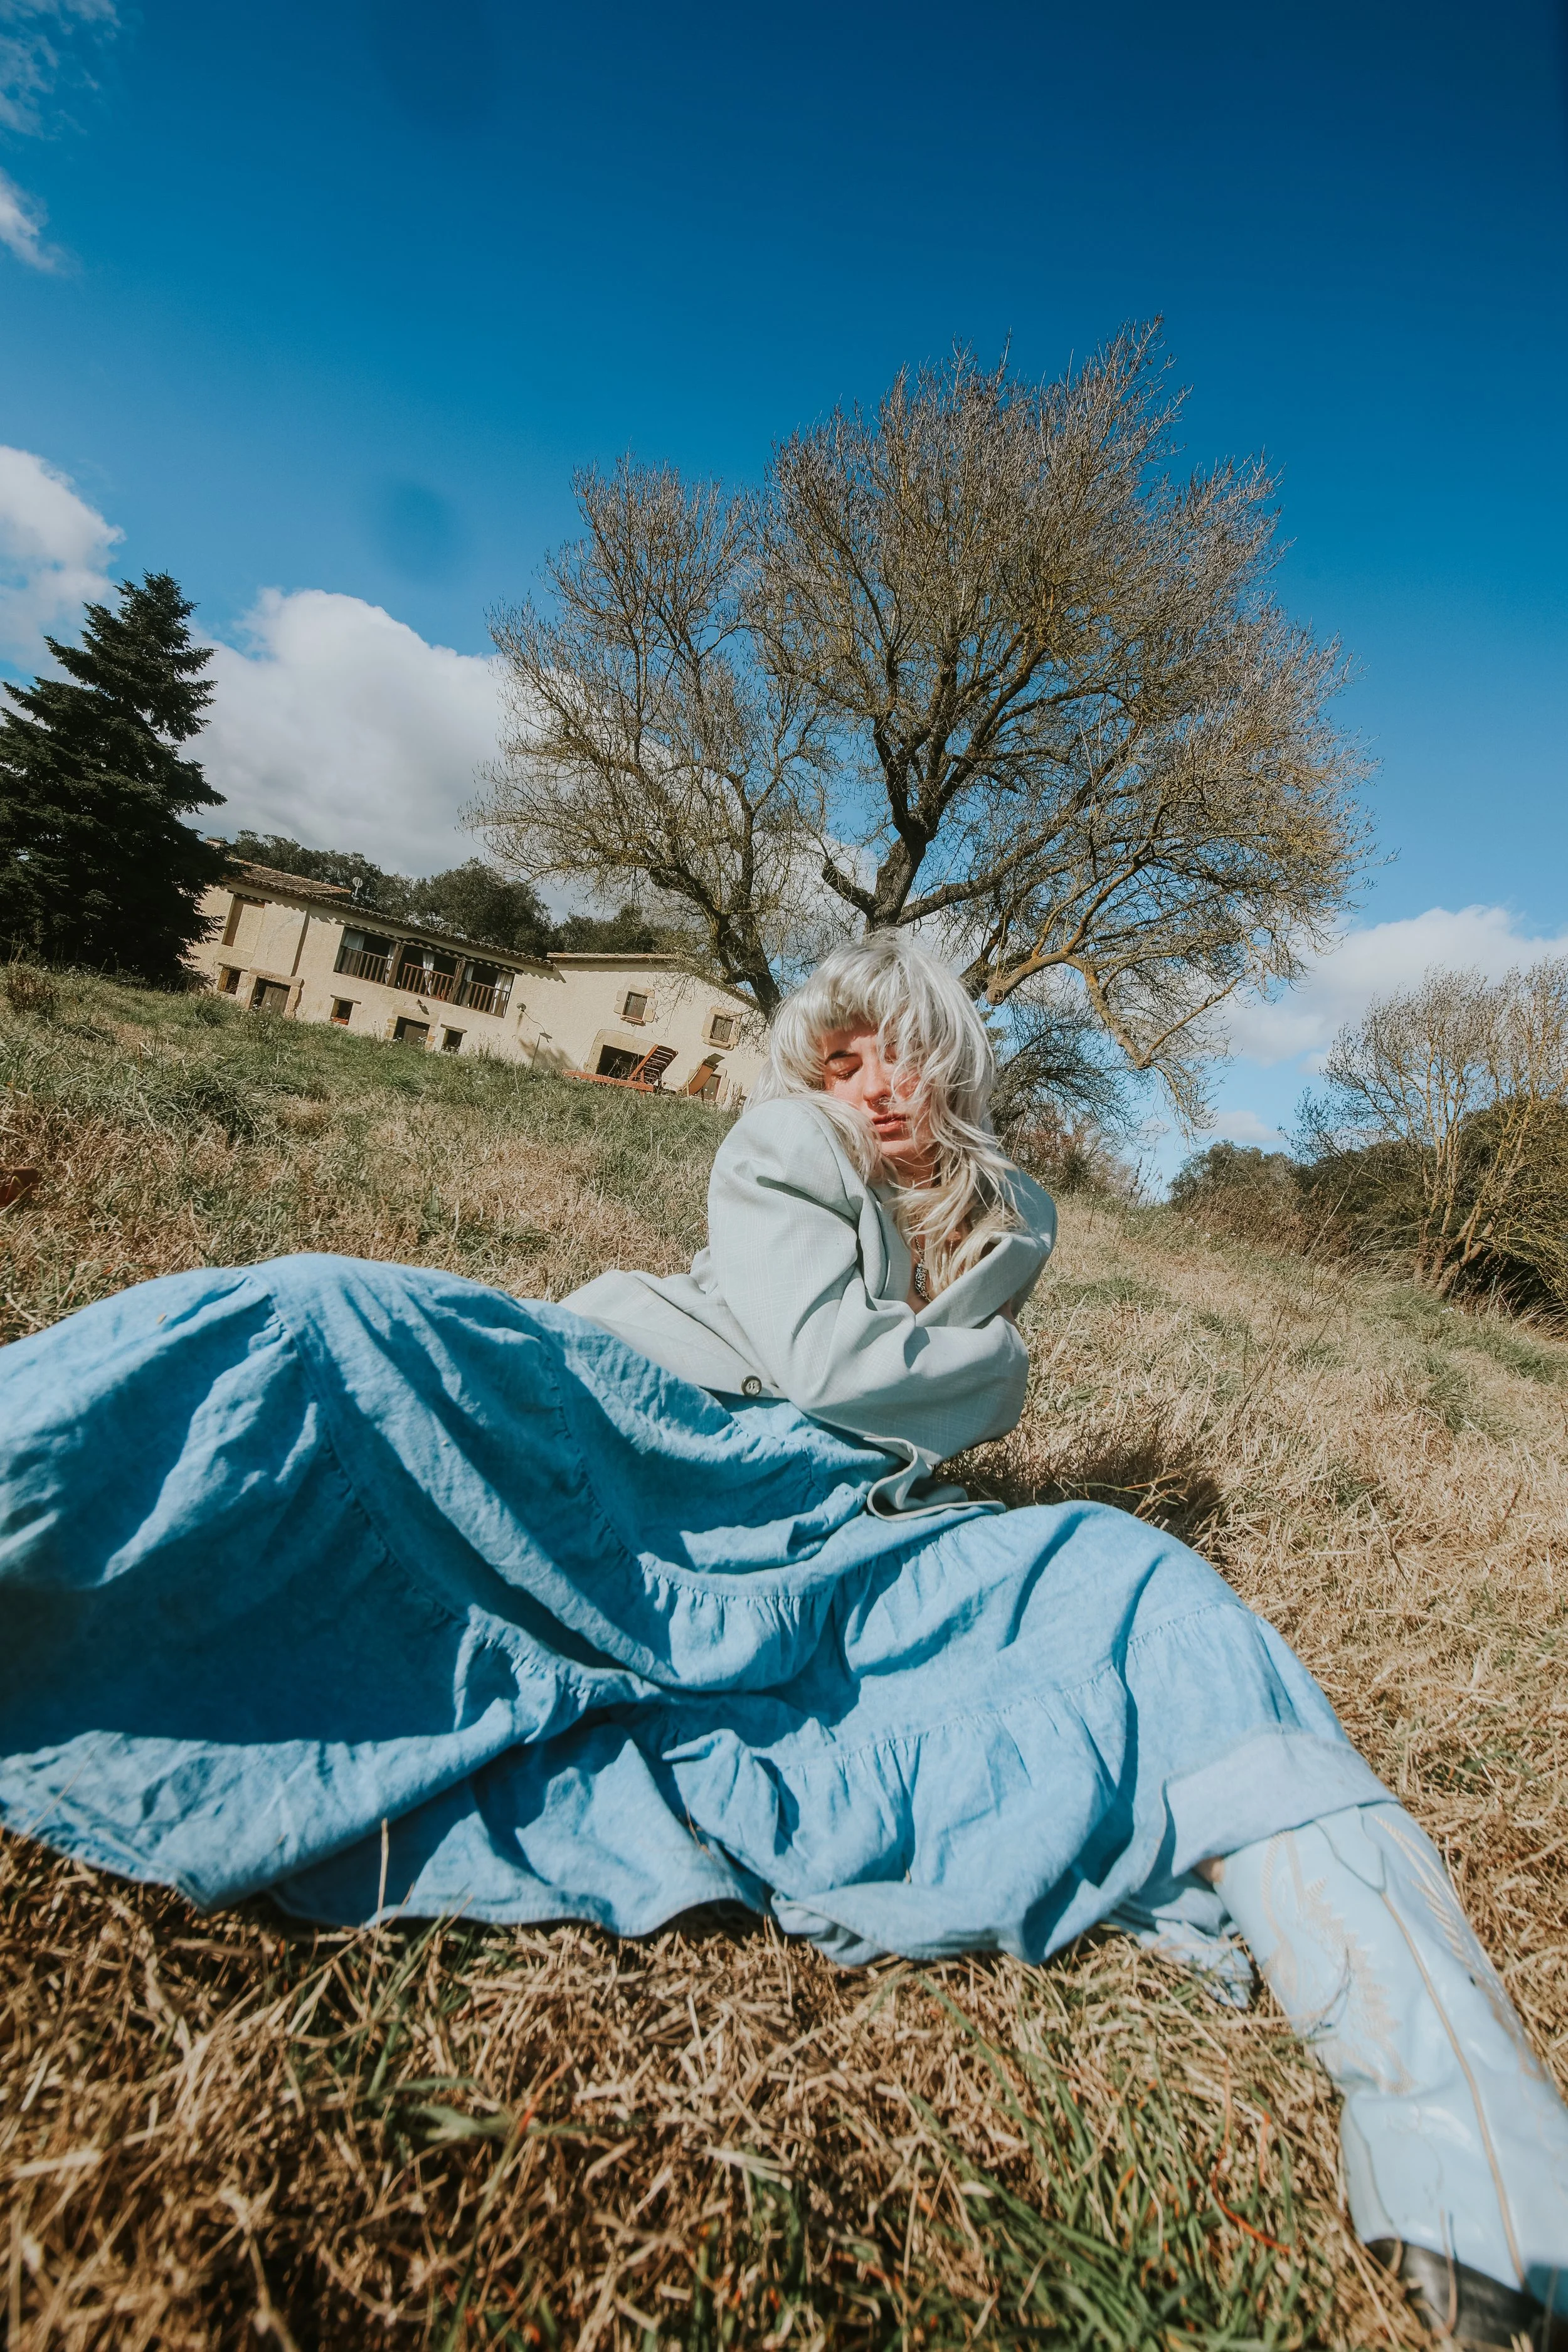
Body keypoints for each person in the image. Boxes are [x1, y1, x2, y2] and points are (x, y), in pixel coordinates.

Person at [0, 933, 1562, 2348]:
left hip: (813, 1527)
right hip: (623, 1428)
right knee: (313, 1321)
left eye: (900, 1054)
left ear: (955, 1067)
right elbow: (826, 1365)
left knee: (1142, 1586)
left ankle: (1472, 2164)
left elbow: (882, 1415)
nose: (869, 1085)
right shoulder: (785, 1142)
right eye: (840, 1057)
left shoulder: (1003, 1226)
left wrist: (976, 1311)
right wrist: (997, 1371)